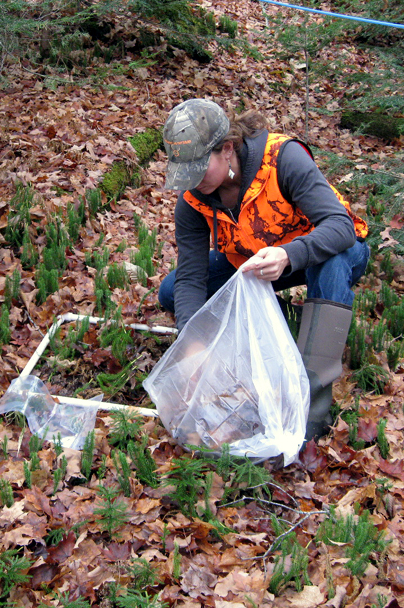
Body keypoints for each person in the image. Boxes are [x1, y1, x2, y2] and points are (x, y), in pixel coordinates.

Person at [157, 98, 370, 440]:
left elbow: (341, 228)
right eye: (185, 173)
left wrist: (288, 254)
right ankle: (285, 319)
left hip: (323, 251)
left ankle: (314, 399)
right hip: (254, 263)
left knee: (331, 264)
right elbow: (192, 277)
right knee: (171, 292)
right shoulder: (193, 201)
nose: (193, 182)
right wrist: (192, 342)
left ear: (227, 149)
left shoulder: (282, 159)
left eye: (199, 169)